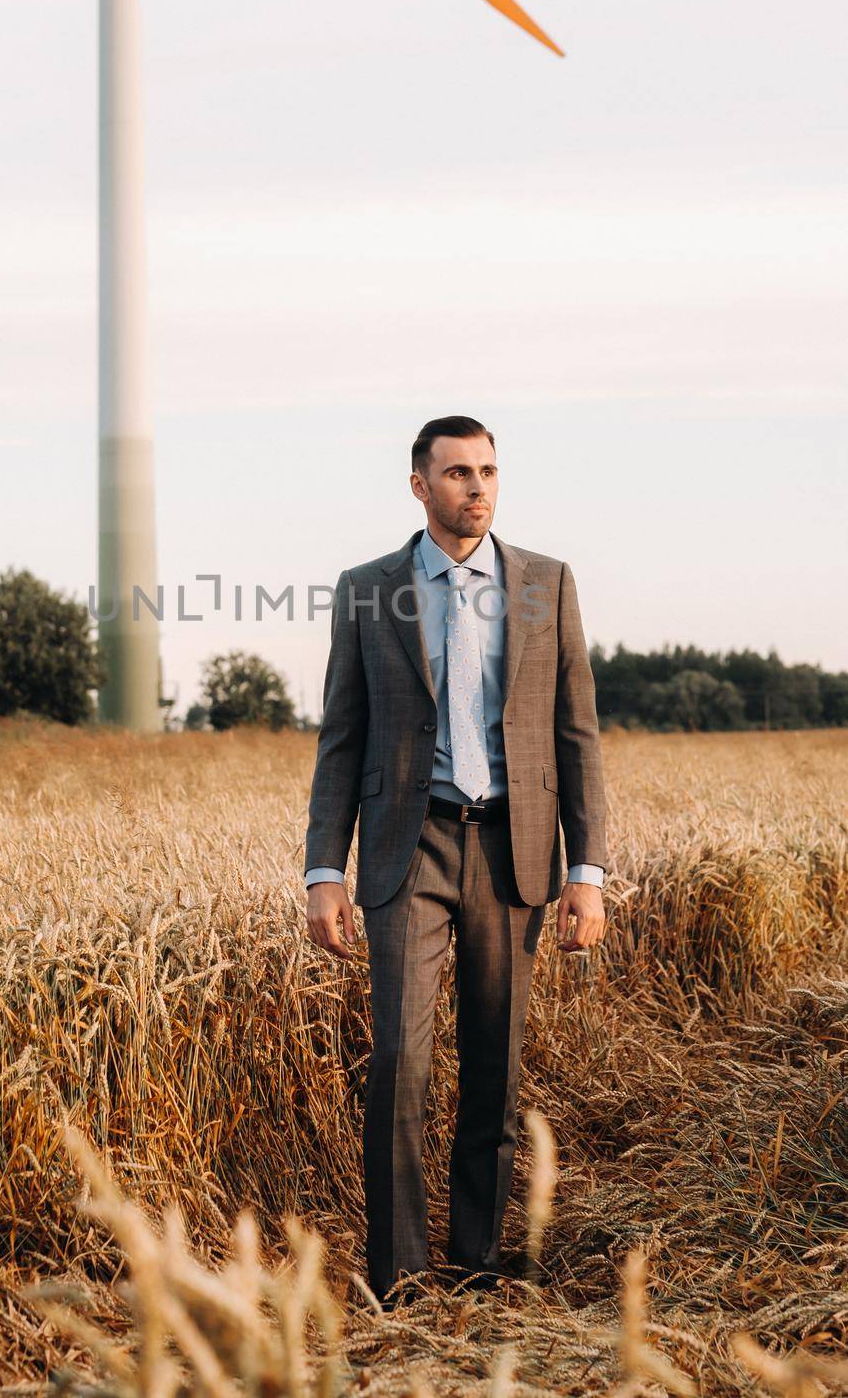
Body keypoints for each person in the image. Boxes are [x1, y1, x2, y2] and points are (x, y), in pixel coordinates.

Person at [303, 414, 609, 1304]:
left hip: (514, 849)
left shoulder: (546, 584)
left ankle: (476, 1265)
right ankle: (398, 1278)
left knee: (494, 1067)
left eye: (487, 472)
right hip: (412, 847)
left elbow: (576, 735)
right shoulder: (369, 591)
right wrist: (325, 867)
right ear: (418, 486)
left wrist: (586, 873)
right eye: (457, 473)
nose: (476, 487)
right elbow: (341, 737)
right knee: (399, 1061)